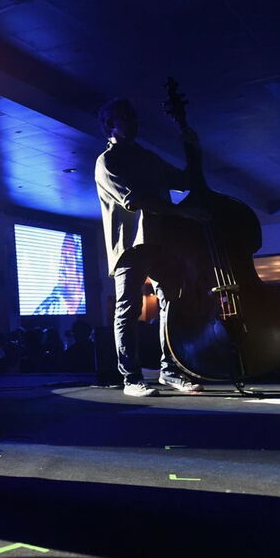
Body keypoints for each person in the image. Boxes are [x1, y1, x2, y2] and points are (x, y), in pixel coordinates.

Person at [95, 97, 205, 397]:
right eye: (125, 118)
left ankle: (170, 370)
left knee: (172, 301)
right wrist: (181, 212)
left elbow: (186, 181)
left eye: (134, 118)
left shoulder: (147, 157)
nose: (133, 123)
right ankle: (131, 379)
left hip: (161, 240)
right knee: (127, 310)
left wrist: (190, 145)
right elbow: (134, 200)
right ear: (109, 125)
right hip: (130, 245)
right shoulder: (107, 162)